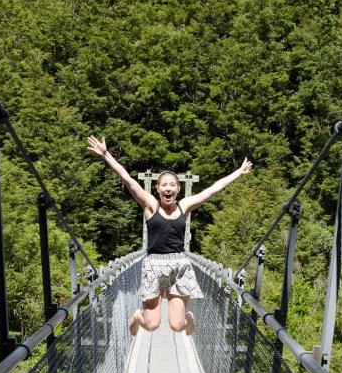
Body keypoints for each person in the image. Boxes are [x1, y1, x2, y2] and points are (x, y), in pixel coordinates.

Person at [87, 136, 253, 336]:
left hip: (179, 266)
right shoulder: (150, 205)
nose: (168, 188)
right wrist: (106, 155)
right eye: (164, 185)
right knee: (151, 325)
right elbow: (128, 180)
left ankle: (188, 318)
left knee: (176, 326)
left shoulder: (185, 206)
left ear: (178, 189)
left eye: (172, 185)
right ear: (157, 189)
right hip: (153, 266)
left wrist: (239, 172)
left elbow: (213, 189)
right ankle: (137, 317)